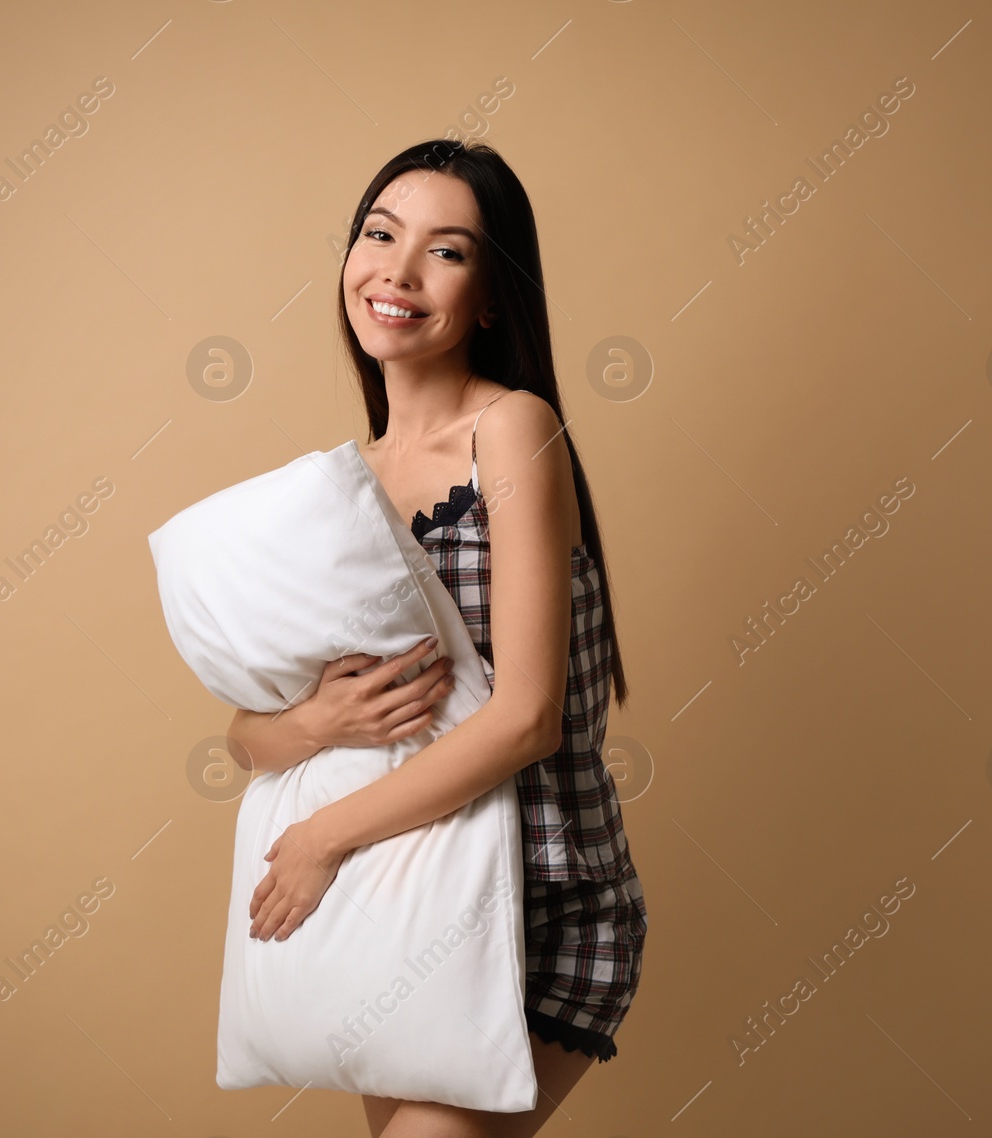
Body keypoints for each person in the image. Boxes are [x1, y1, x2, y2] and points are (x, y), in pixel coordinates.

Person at [227, 139, 646, 1138]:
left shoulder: (511, 428)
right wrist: (320, 717)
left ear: (493, 297)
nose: (398, 271)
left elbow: (528, 719)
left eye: (445, 251)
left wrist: (322, 838)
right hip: (400, 903)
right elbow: (246, 737)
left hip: (534, 895)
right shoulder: (339, 483)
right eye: (379, 234)